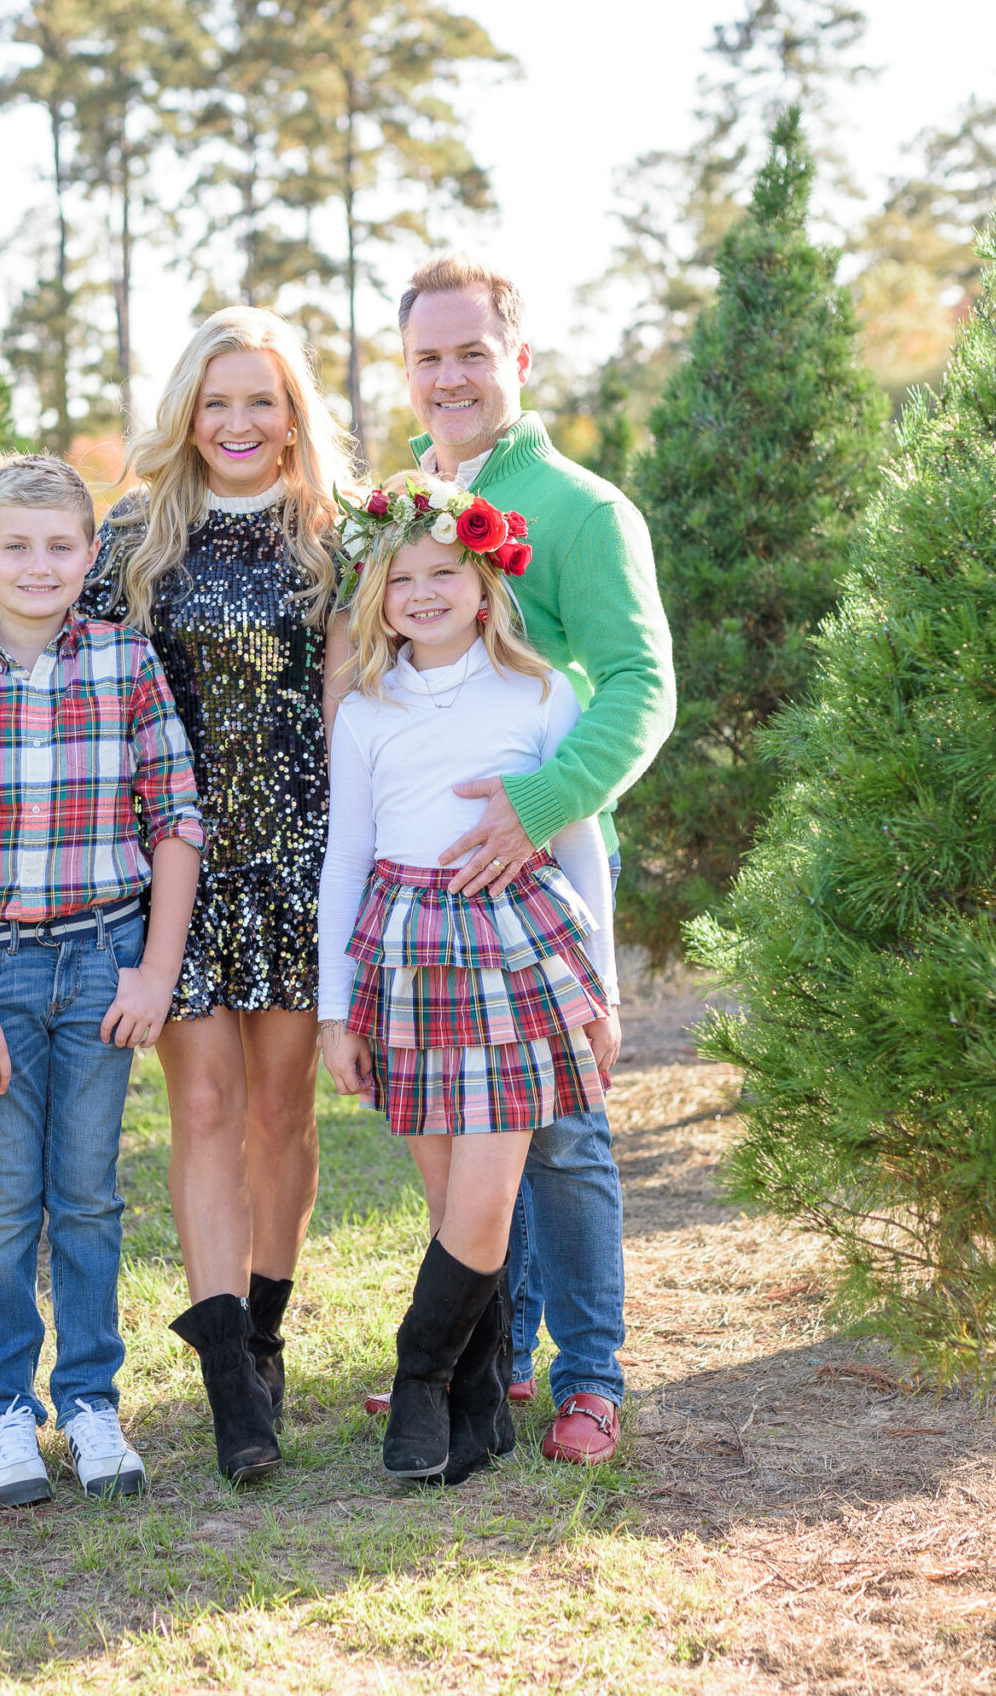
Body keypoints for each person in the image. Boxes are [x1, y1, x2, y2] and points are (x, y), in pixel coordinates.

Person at [0, 309, 357, 1484]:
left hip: (300, 863)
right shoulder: (135, 534)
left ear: (293, 410)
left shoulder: (335, 538)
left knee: (280, 1115)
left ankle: (261, 1328)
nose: (239, 423)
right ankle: (226, 1390)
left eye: (261, 400)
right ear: (186, 413)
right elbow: (35, 629)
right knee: (203, 1106)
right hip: (167, 862)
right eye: (216, 402)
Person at [359, 254, 676, 1465]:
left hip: (546, 860)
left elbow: (642, 686)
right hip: (429, 886)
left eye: (471, 353)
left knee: (566, 1122)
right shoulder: (400, 516)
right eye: (428, 356)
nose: (450, 376)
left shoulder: (585, 509)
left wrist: (541, 802)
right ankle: (496, 1354)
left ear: (518, 361)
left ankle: (592, 1373)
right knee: (473, 1119)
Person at [0, 454, 206, 1508]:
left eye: (59, 545)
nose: (38, 564)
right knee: (2, 1202)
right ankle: (5, 1415)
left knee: (87, 1195)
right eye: (15, 545)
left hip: (102, 962)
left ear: (88, 555)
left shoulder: (125, 662)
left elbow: (173, 819)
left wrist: (153, 971)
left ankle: (89, 1400)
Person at [318, 484, 619, 1486]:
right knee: (451, 1198)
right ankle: (479, 1402)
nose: (423, 591)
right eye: (399, 578)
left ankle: (418, 1377)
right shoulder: (365, 713)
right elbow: (344, 859)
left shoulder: (541, 695)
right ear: (377, 596)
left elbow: (581, 848)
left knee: (488, 1194)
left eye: (443, 571)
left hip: (519, 951)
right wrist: (334, 1008)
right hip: (405, 958)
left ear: (485, 584)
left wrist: (604, 992)